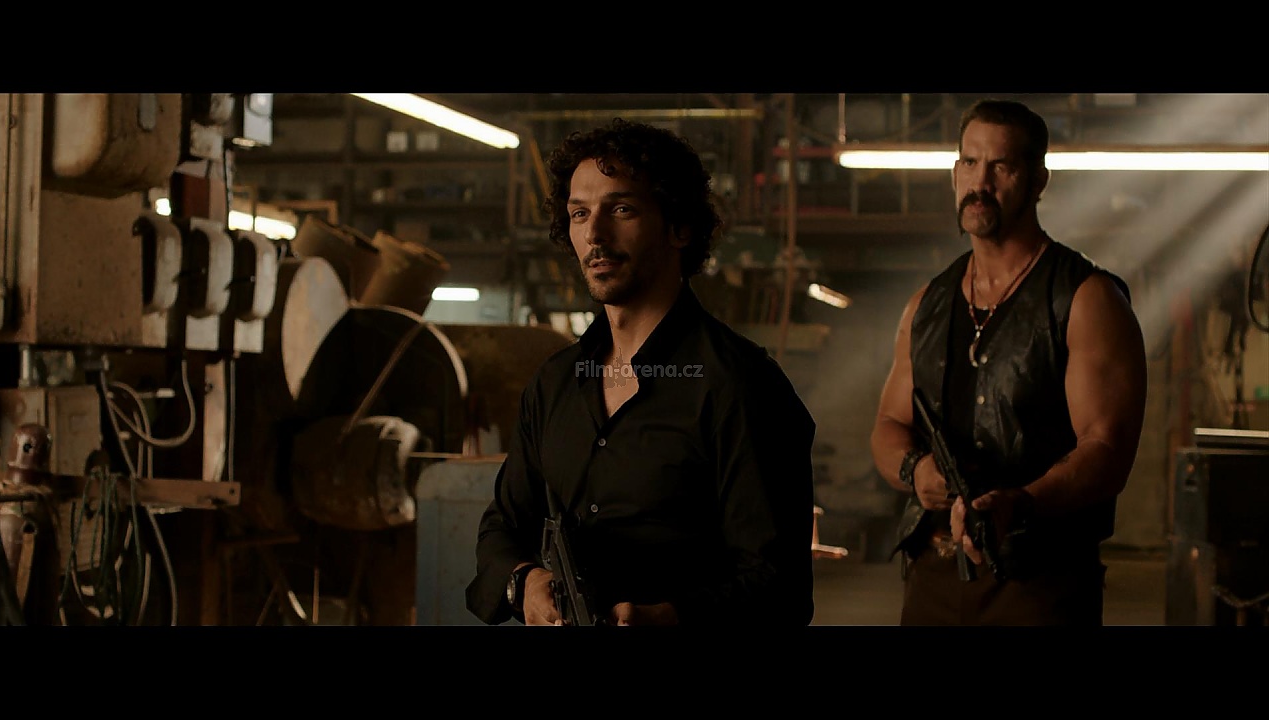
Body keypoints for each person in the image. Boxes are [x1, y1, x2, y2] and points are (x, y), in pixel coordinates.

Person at [465, 118, 816, 626]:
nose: (594, 234)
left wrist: (671, 617)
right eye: (579, 213)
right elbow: (502, 527)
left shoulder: (741, 386)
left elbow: (779, 586)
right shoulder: (554, 384)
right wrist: (525, 581)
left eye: (621, 209)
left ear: (680, 227)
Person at [869, 98, 1148, 626]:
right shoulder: (927, 304)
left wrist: (1020, 503)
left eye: (1001, 166)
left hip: (1039, 582)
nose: (981, 182)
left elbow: (1107, 449)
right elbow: (888, 424)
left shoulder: (1085, 299)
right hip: (932, 575)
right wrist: (916, 469)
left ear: (1038, 181)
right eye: (970, 162)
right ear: (955, 173)